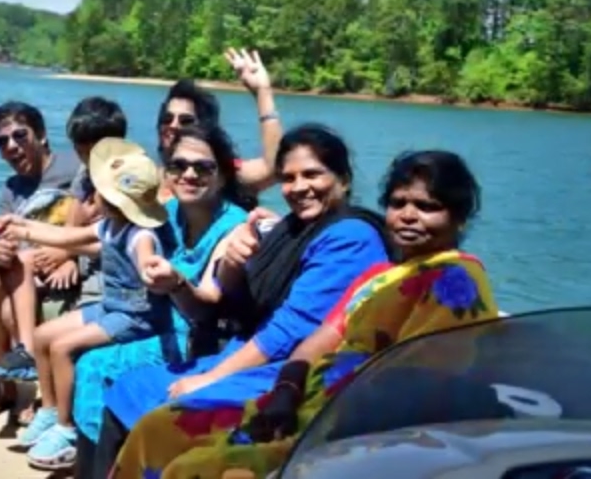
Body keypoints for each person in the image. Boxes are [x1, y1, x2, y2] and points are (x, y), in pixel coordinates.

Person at [111, 149, 499, 479]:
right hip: (305, 399)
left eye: (427, 207)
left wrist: (321, 416)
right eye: (398, 204)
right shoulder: (381, 277)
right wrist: (286, 392)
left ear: (459, 217)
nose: (409, 215)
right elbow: (321, 340)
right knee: (158, 429)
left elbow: (427, 380)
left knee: (201, 468)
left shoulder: (455, 280)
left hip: (354, 421)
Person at [82, 124, 391, 478]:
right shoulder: (291, 229)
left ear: (343, 179)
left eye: (312, 174)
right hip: (249, 352)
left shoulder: (350, 237)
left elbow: (289, 331)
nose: (299, 187)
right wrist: (234, 262)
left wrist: (211, 378)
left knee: (159, 410)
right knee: (128, 387)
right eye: (288, 178)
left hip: (293, 373)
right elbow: (234, 305)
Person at [70, 124, 253, 473]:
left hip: (195, 341)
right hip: (152, 320)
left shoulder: (234, 229)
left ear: (223, 175)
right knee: (81, 354)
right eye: (178, 165)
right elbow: (113, 239)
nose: (189, 174)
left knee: (93, 365)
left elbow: (206, 309)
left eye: (203, 167)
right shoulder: (167, 213)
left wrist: (176, 283)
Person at [0, 138, 177, 471]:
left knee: (62, 348)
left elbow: (147, 258)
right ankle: (50, 410)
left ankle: (67, 428)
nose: (92, 196)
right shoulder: (111, 224)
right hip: (113, 306)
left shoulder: (140, 236)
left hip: (137, 317)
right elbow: (64, 237)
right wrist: (19, 226)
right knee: (43, 335)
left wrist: (153, 271)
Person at [0, 100, 117, 392]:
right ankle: (4, 387)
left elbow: (94, 221)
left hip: (75, 263)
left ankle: (29, 372)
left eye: (20, 135)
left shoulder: (77, 167)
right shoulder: (11, 188)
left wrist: (67, 257)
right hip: (33, 270)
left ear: (41, 135)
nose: (12, 146)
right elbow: (5, 243)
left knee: (9, 305)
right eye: (2, 142)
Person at [155, 49, 282, 202]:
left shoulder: (225, 173)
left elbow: (276, 168)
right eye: (167, 118)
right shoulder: (151, 177)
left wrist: (262, 91)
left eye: (186, 121)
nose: (173, 125)